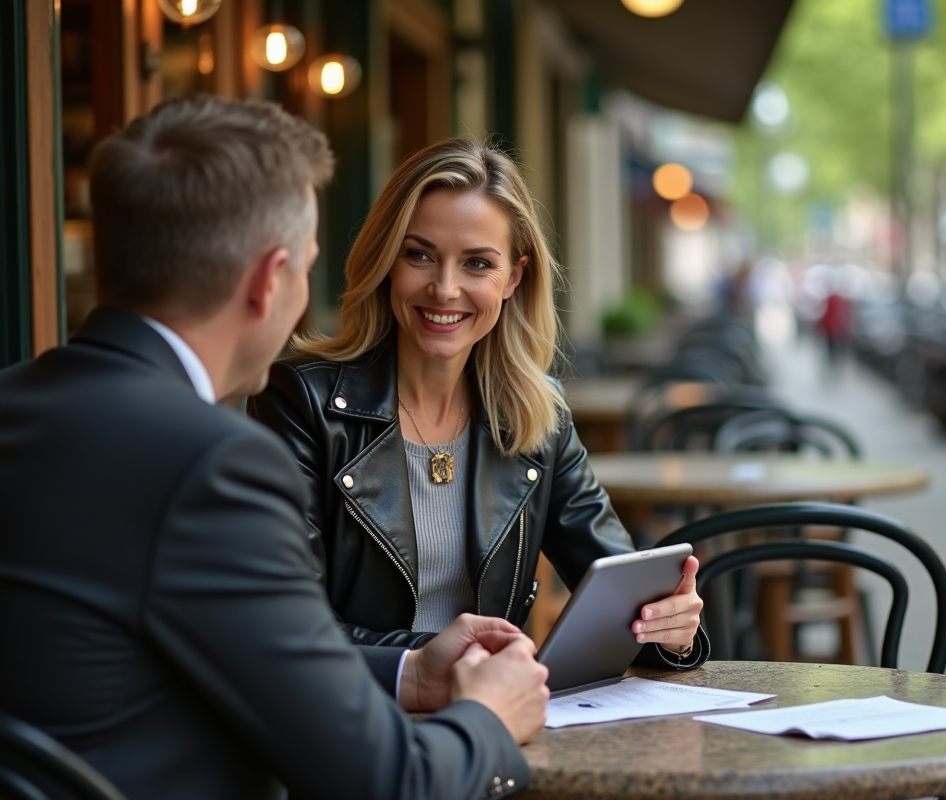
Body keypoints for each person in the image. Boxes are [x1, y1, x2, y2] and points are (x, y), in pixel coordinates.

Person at [0, 96, 548, 800]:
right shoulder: (215, 467)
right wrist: (487, 716)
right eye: (305, 270)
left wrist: (411, 673)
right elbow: (388, 784)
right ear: (268, 280)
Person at [248, 138, 709, 668]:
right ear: (386, 262)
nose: (445, 289)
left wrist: (670, 629)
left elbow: (622, 596)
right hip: (356, 715)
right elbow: (283, 623)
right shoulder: (300, 400)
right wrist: (434, 661)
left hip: (493, 716)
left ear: (513, 277)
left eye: (476, 263)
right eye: (419, 255)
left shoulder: (539, 415)